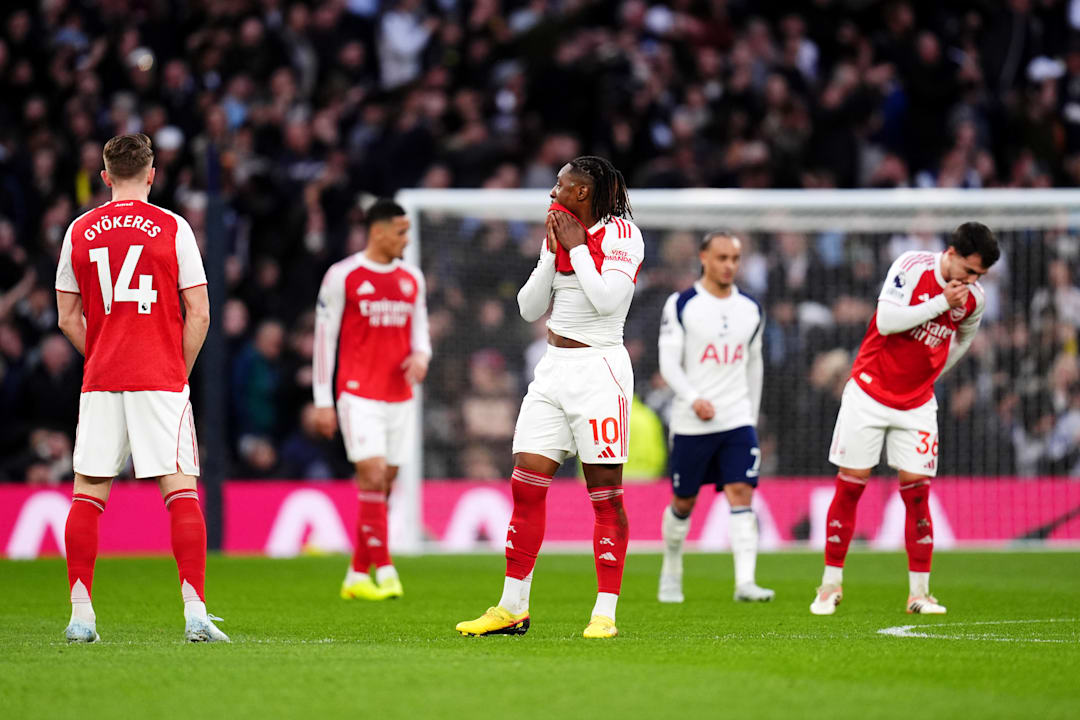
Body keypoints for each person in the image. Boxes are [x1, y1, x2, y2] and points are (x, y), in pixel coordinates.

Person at [456, 156, 643, 639]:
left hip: (600, 371)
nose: (552, 192)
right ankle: (512, 606)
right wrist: (550, 254)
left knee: (605, 496)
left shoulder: (623, 236)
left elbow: (607, 301)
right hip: (552, 370)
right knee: (525, 485)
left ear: (582, 192)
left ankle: (605, 612)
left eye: (560, 185)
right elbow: (528, 308)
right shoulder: (557, 233)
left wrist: (577, 249)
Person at [54, 133, 225, 642]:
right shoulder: (173, 227)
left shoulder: (78, 229)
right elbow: (200, 313)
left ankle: (80, 615)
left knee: (88, 494)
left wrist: (102, 355)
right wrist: (177, 369)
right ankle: (195, 612)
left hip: (102, 379)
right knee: (180, 491)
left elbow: (67, 316)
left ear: (105, 176)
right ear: (152, 174)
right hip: (160, 378)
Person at [810, 222, 1000, 616]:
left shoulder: (974, 300)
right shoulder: (912, 266)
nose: (972, 281)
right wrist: (941, 303)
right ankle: (829, 586)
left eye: (979, 275)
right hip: (868, 392)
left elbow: (963, 339)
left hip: (917, 404)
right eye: (969, 270)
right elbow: (886, 321)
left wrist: (933, 373)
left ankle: (919, 595)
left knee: (917, 495)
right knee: (850, 487)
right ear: (951, 253)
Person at [313, 199, 430, 601]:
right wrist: (323, 400)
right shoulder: (342, 275)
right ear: (377, 232)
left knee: (386, 482)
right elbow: (324, 341)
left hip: (400, 395)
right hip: (358, 393)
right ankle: (386, 568)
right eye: (401, 232)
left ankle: (357, 574)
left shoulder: (412, 278)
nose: (406, 240)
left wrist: (421, 356)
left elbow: (421, 334)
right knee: (373, 474)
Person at [656, 231, 774, 604]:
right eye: (722, 258)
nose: (729, 266)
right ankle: (671, 569)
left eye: (735, 259)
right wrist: (693, 399)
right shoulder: (682, 304)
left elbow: (754, 365)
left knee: (742, 492)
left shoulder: (751, 309)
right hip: (692, 422)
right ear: (704, 257)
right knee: (683, 502)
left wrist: (750, 417)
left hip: (736, 419)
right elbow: (668, 362)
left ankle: (745, 582)